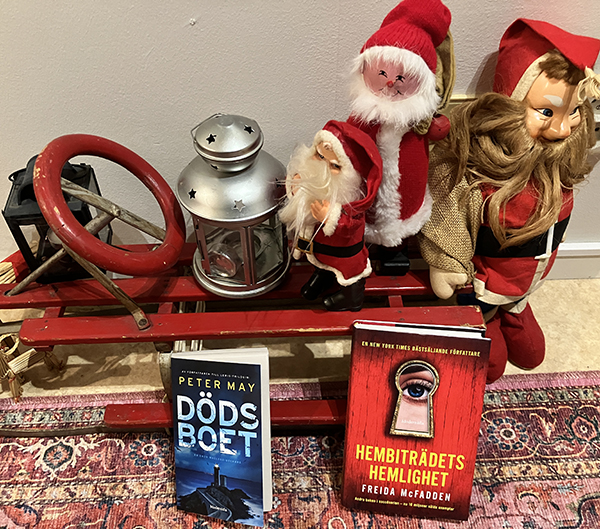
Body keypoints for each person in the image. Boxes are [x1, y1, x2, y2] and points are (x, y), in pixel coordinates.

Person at [418, 19, 600, 383]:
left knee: (532, 355)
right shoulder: (479, 175)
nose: (562, 129)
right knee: (492, 366)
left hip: (525, 284)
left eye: (572, 112)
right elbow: (446, 206)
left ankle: (515, 307)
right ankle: (489, 316)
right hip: (483, 286)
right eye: (546, 112)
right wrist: (447, 262)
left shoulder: (561, 164)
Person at [346, 0, 454, 274]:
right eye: (382, 73)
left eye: (401, 78)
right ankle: (362, 248)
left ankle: (395, 251)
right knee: (365, 211)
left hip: (408, 186)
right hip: (367, 187)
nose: (390, 82)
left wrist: (437, 126)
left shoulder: (417, 119)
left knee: (405, 211)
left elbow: (435, 131)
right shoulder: (363, 115)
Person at [278, 121, 382, 311]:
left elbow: (351, 226)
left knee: (350, 275)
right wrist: (296, 187)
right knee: (321, 263)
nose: (322, 168)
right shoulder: (314, 181)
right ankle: (323, 277)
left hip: (344, 255)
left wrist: (331, 217)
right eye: (319, 156)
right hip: (318, 247)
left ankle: (352, 298)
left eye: (334, 165)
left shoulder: (352, 201)